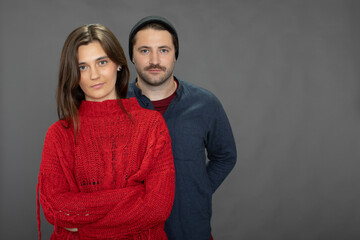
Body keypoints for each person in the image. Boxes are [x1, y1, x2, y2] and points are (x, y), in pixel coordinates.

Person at [37, 23, 175, 240]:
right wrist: (134, 195)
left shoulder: (151, 125)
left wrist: (85, 229)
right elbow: (54, 207)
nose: (94, 75)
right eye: (82, 67)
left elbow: (157, 207)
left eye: (102, 62)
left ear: (118, 64)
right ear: (73, 73)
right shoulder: (59, 134)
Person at [127, 16, 237, 240]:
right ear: (132, 56)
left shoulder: (205, 103)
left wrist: (199, 190)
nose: (155, 59)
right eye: (145, 50)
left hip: (190, 229)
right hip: (132, 232)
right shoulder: (116, 104)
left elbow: (226, 155)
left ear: (175, 54)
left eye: (164, 50)